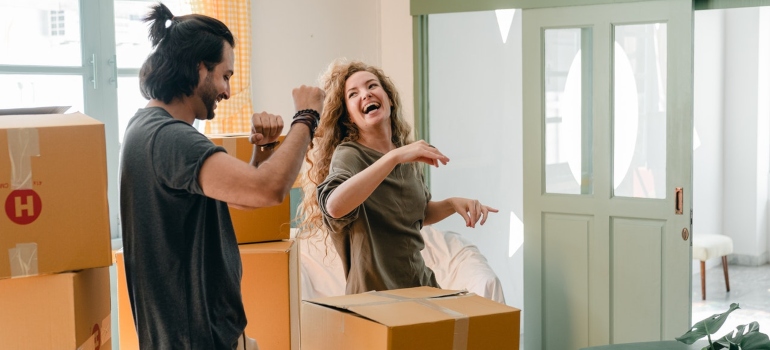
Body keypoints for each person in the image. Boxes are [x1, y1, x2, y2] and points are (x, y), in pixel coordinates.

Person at [119, 3, 324, 349]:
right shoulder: (171, 139)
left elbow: (242, 198)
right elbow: (268, 190)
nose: (228, 91)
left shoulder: (146, 128)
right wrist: (305, 117)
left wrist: (264, 150)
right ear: (200, 69)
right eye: (225, 76)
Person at [297, 60, 497, 295]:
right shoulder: (350, 154)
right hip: (374, 297)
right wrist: (394, 158)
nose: (366, 94)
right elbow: (334, 206)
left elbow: (416, 213)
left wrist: (452, 204)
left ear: (388, 98)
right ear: (349, 116)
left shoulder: (405, 154)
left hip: (418, 284)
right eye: (353, 94)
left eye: (372, 86)